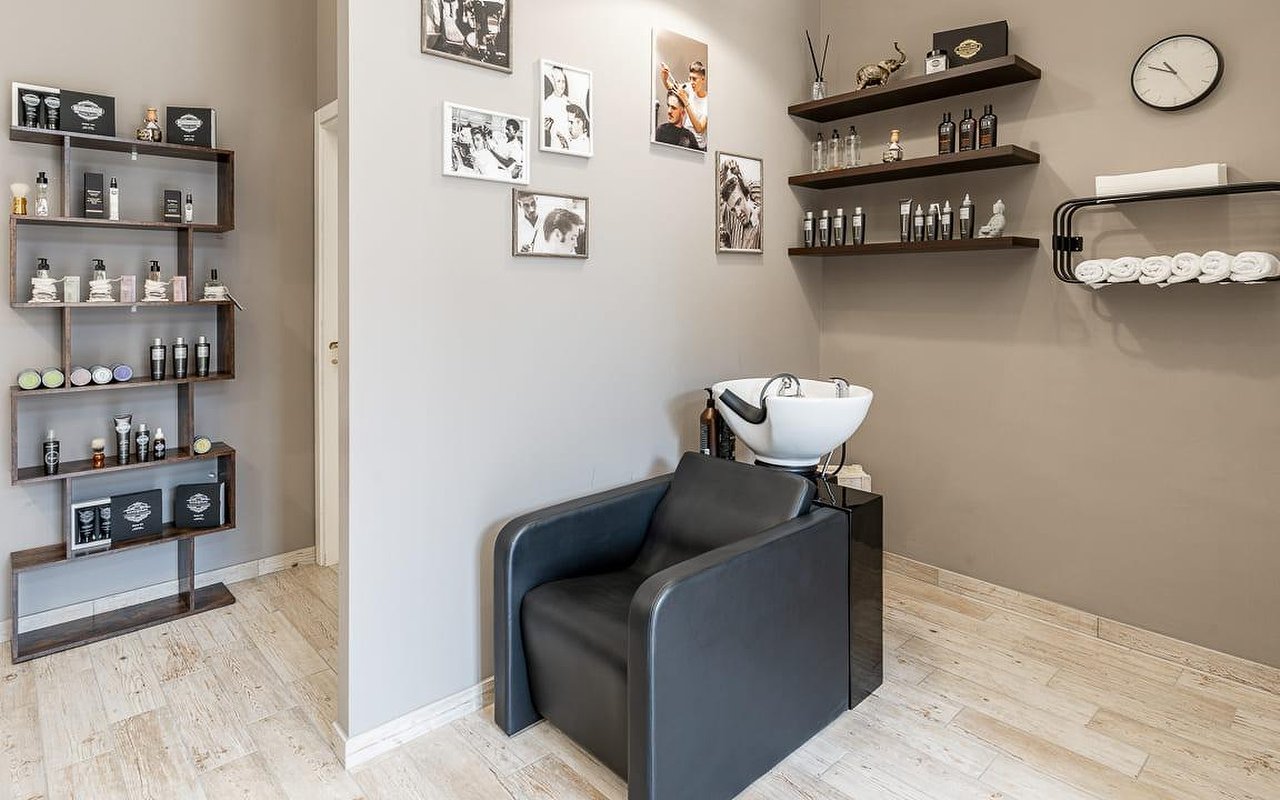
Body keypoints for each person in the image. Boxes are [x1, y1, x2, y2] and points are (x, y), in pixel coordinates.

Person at [661, 59, 707, 149]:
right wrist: (665, 79)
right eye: (690, 78)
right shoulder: (689, 87)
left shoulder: (708, 102)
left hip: (698, 146)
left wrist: (685, 100)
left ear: (703, 79)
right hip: (685, 138)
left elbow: (699, 128)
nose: (691, 82)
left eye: (694, 79)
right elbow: (672, 88)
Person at [718, 159, 762, 251]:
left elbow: (761, 190)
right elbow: (714, 191)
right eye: (733, 210)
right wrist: (725, 168)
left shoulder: (761, 217)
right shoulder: (734, 224)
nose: (738, 213)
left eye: (738, 202)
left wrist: (739, 176)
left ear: (747, 197)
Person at [543, 66, 570, 148]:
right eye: (558, 81)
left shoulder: (568, 101)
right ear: (553, 82)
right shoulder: (548, 102)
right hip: (556, 143)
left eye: (563, 82)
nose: (562, 85)